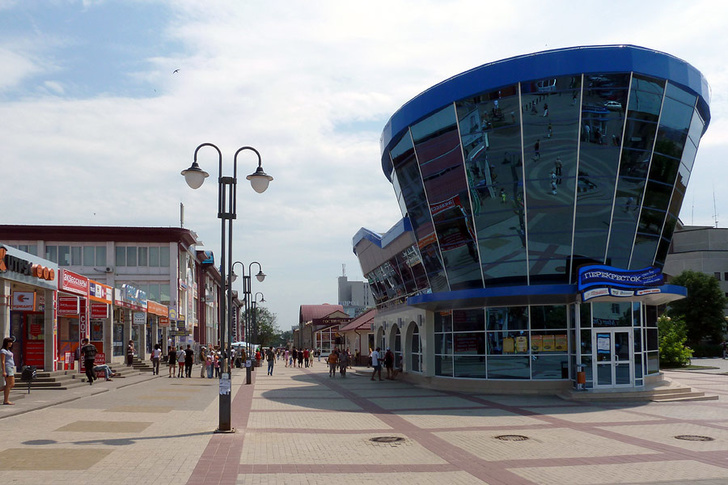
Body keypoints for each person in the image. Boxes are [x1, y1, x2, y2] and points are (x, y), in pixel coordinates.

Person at [1, 337, 15, 404]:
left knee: (11, 384)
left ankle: (5, 399)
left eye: (11, 342)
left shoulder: (8, 350)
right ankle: (6, 400)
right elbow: (3, 361)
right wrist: (4, 371)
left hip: (11, 367)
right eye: (9, 342)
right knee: (9, 384)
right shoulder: (3, 351)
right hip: (7, 367)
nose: (10, 343)